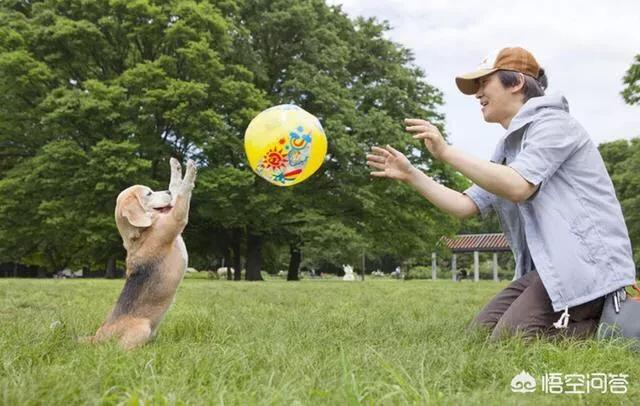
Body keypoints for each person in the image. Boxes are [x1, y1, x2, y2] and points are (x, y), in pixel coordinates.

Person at [366, 46, 636, 341]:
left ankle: (610, 327)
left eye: (484, 83)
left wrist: (445, 152)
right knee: (479, 336)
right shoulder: (507, 151)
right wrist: (411, 174)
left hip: (586, 265)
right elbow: (464, 206)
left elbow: (519, 186)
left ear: (517, 82)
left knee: (510, 341)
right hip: (547, 272)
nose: (477, 94)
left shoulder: (555, 125)